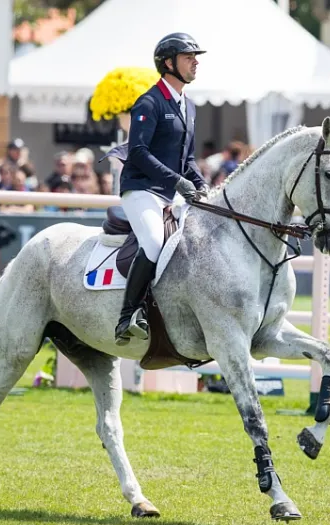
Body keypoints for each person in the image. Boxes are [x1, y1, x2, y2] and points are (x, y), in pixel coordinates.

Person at [113, 32, 210, 346]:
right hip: (140, 190)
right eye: (188, 57)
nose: (195, 62)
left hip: (169, 193)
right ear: (168, 63)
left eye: (196, 57)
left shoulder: (189, 106)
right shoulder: (149, 102)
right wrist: (178, 181)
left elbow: (189, 158)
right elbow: (139, 152)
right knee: (154, 242)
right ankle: (127, 315)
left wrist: (201, 184)